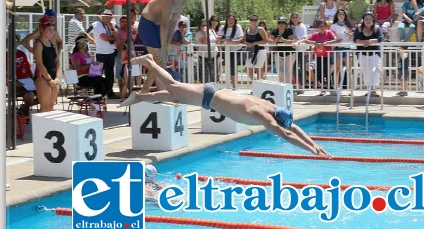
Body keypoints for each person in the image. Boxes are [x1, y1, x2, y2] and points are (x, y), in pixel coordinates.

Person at [120, 54, 331, 158]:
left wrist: (314, 145)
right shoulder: (262, 115)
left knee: (174, 98)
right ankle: (150, 62)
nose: (281, 127)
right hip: (208, 95)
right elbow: (288, 134)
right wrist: (310, 151)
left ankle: (140, 97)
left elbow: (292, 127)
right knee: (173, 87)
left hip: (212, 96)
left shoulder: (272, 107)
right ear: (276, 121)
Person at [138, 0, 200, 93]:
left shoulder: (182, 1)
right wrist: (164, 46)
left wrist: (167, 43)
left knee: (160, 60)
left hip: (156, 25)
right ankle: (163, 93)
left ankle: (144, 91)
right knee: (160, 60)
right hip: (147, 25)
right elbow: (164, 24)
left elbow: (173, 22)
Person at [293, 19, 338, 96]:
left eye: (324, 26)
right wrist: (312, 42)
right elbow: (305, 39)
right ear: (318, 27)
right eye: (320, 26)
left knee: (327, 73)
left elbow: (335, 39)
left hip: (327, 56)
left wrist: (326, 43)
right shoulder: (315, 35)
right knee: (319, 73)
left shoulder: (329, 33)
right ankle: (323, 89)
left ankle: (331, 89)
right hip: (319, 56)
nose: (322, 28)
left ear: (326, 27)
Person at [33, 16, 61, 112]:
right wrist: (49, 79)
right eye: (49, 29)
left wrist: (57, 77)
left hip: (53, 76)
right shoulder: (38, 44)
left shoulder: (52, 43)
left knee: (51, 106)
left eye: (53, 30)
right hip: (42, 77)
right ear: (42, 29)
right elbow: (40, 64)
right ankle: (39, 127)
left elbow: (57, 61)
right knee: (44, 107)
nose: (51, 32)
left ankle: (49, 127)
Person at [92, 9, 121, 99]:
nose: (109, 19)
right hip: (101, 53)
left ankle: (110, 92)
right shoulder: (97, 25)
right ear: (103, 17)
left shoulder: (112, 24)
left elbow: (117, 36)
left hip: (110, 53)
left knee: (110, 75)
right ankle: (97, 94)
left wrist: (111, 28)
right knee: (97, 74)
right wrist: (112, 38)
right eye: (107, 18)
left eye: (110, 17)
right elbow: (104, 37)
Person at [353, 11, 383, 97]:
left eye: (370, 19)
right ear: (363, 20)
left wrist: (368, 42)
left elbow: (380, 39)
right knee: (366, 71)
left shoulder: (376, 28)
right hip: (362, 53)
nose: (368, 21)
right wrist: (363, 42)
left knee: (374, 70)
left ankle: (373, 90)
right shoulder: (359, 28)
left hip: (374, 53)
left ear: (373, 20)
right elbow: (355, 39)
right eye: (366, 19)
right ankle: (369, 89)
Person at [216, 14, 244, 89]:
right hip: (226, 51)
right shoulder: (222, 28)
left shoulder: (238, 27)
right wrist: (222, 40)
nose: (231, 21)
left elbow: (240, 39)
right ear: (226, 21)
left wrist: (228, 41)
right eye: (229, 19)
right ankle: (226, 86)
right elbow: (218, 40)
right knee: (225, 67)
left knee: (233, 68)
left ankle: (234, 87)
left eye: (232, 19)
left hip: (235, 50)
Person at [12, 40, 36, 116]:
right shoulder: (5, 55)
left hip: (28, 80)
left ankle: (24, 108)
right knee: (29, 95)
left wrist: (34, 79)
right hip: (16, 82)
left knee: (45, 95)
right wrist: (14, 82)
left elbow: (28, 68)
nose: (16, 43)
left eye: (17, 41)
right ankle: (25, 113)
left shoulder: (21, 53)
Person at [269, 17, 295, 85]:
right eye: (279, 23)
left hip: (289, 53)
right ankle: (281, 86)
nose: (281, 24)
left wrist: (283, 40)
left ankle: (289, 86)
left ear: (286, 24)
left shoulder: (289, 30)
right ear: (277, 24)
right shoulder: (274, 31)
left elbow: (292, 41)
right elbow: (270, 41)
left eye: (283, 23)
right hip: (278, 53)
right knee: (279, 71)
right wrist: (275, 41)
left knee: (288, 71)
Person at [195, 17, 222, 82]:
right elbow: (204, 42)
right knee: (204, 74)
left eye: (206, 25)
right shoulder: (198, 33)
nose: (204, 27)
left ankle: (214, 87)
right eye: (203, 25)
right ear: (200, 26)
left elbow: (216, 42)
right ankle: (205, 88)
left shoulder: (212, 31)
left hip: (213, 55)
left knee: (214, 74)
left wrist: (219, 39)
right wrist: (205, 33)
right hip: (203, 56)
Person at [243, 15, 269, 82]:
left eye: (255, 20)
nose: (253, 21)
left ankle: (259, 86)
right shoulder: (247, 29)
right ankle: (254, 83)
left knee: (259, 69)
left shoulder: (260, 29)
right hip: (250, 51)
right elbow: (244, 40)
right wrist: (246, 43)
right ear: (249, 20)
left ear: (257, 21)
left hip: (260, 50)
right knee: (248, 69)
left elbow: (266, 40)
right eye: (252, 20)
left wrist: (254, 43)